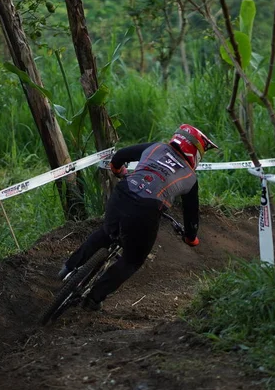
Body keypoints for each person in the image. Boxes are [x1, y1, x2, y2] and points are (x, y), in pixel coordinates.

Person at [57, 124, 219, 311]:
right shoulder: (190, 177)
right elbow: (191, 215)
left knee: (106, 232)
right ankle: (94, 298)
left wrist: (119, 171)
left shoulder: (156, 147)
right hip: (147, 209)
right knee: (132, 260)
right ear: (195, 152)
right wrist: (191, 238)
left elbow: (119, 157)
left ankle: (69, 267)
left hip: (123, 192)